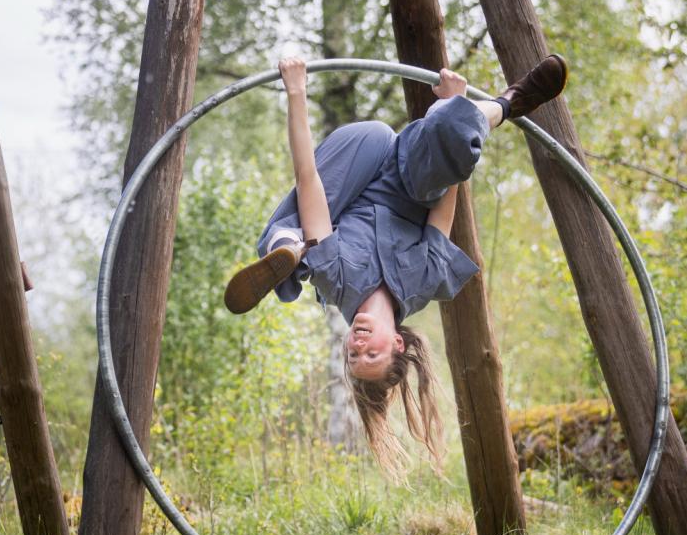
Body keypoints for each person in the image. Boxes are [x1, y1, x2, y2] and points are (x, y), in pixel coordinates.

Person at [223, 52, 568, 465]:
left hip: (354, 165)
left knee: (316, 221)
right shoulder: (423, 284)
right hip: (409, 173)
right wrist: (449, 112)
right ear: (398, 343)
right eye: (371, 355)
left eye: (352, 355)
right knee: (452, 130)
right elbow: (446, 202)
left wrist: (296, 93)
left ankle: (287, 243)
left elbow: (309, 179)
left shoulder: (337, 280)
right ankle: (511, 101)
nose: (359, 345)